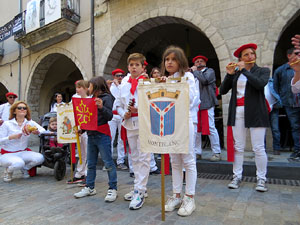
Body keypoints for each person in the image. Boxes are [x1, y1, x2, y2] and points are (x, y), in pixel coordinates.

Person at [220, 43, 270, 192]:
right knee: (238, 147)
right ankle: (236, 176)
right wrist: (229, 74)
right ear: (240, 58)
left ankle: (261, 179)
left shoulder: (263, 71)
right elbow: (222, 90)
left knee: (258, 147)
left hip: (256, 111)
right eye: (246, 55)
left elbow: (259, 84)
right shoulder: (236, 74)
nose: (250, 57)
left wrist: (244, 70)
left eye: (252, 54)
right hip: (238, 112)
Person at [161, 46, 197, 216]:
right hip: (170, 123)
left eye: (173, 59)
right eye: (167, 59)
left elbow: (191, 100)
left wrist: (173, 87)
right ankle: (176, 195)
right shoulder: (166, 79)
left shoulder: (188, 77)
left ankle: (189, 197)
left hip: (185, 121)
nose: (169, 62)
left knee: (188, 160)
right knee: (174, 160)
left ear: (180, 61)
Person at [114, 53, 151, 210]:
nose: (134, 67)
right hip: (130, 124)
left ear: (143, 67)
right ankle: (138, 185)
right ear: (128, 67)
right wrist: (124, 114)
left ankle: (140, 190)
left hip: (144, 123)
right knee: (134, 157)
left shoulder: (148, 84)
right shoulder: (123, 85)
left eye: (137, 65)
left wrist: (139, 109)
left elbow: (155, 105)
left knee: (144, 157)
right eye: (131, 65)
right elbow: (117, 105)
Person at [74, 76, 117, 202]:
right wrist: (82, 129)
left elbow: (109, 116)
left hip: (102, 134)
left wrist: (101, 107)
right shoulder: (91, 99)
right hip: (92, 135)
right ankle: (90, 187)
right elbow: (89, 119)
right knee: (91, 164)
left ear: (96, 86)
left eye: (90, 86)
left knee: (108, 163)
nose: (88, 88)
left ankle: (112, 188)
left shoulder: (107, 98)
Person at [0, 101, 45, 182]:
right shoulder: (7, 124)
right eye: (19, 108)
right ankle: (8, 171)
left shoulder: (29, 123)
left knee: (40, 158)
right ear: (14, 111)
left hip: (23, 152)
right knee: (19, 163)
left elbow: (43, 130)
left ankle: (25, 169)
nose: (22, 109)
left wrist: (37, 131)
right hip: (8, 153)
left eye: (24, 108)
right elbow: (0, 140)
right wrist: (10, 137)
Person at [191, 55, 221, 161]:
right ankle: (197, 152)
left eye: (201, 61)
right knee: (196, 130)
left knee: (211, 127)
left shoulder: (210, 71)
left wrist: (195, 72)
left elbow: (205, 80)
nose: (199, 63)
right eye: (196, 62)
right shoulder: (193, 74)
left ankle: (216, 152)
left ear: (205, 63)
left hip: (207, 103)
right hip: (195, 106)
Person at [273, 47, 300, 160]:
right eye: (297, 53)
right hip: (290, 103)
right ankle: (298, 150)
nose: (299, 56)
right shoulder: (280, 70)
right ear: (289, 56)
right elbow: (275, 87)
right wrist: (281, 100)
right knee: (295, 127)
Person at [68, 80, 89, 184]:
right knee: (80, 152)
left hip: (87, 128)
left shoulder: (90, 98)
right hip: (78, 128)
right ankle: (80, 173)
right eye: (77, 87)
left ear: (85, 88)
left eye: (80, 87)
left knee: (87, 151)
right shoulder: (74, 98)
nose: (77, 89)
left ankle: (87, 173)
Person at [264, 78, 282, 155]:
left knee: (275, 129)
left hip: (273, 107)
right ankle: (262, 149)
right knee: (262, 130)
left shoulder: (273, 82)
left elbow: (280, 91)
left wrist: (278, 103)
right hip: (263, 108)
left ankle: (276, 148)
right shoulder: (258, 82)